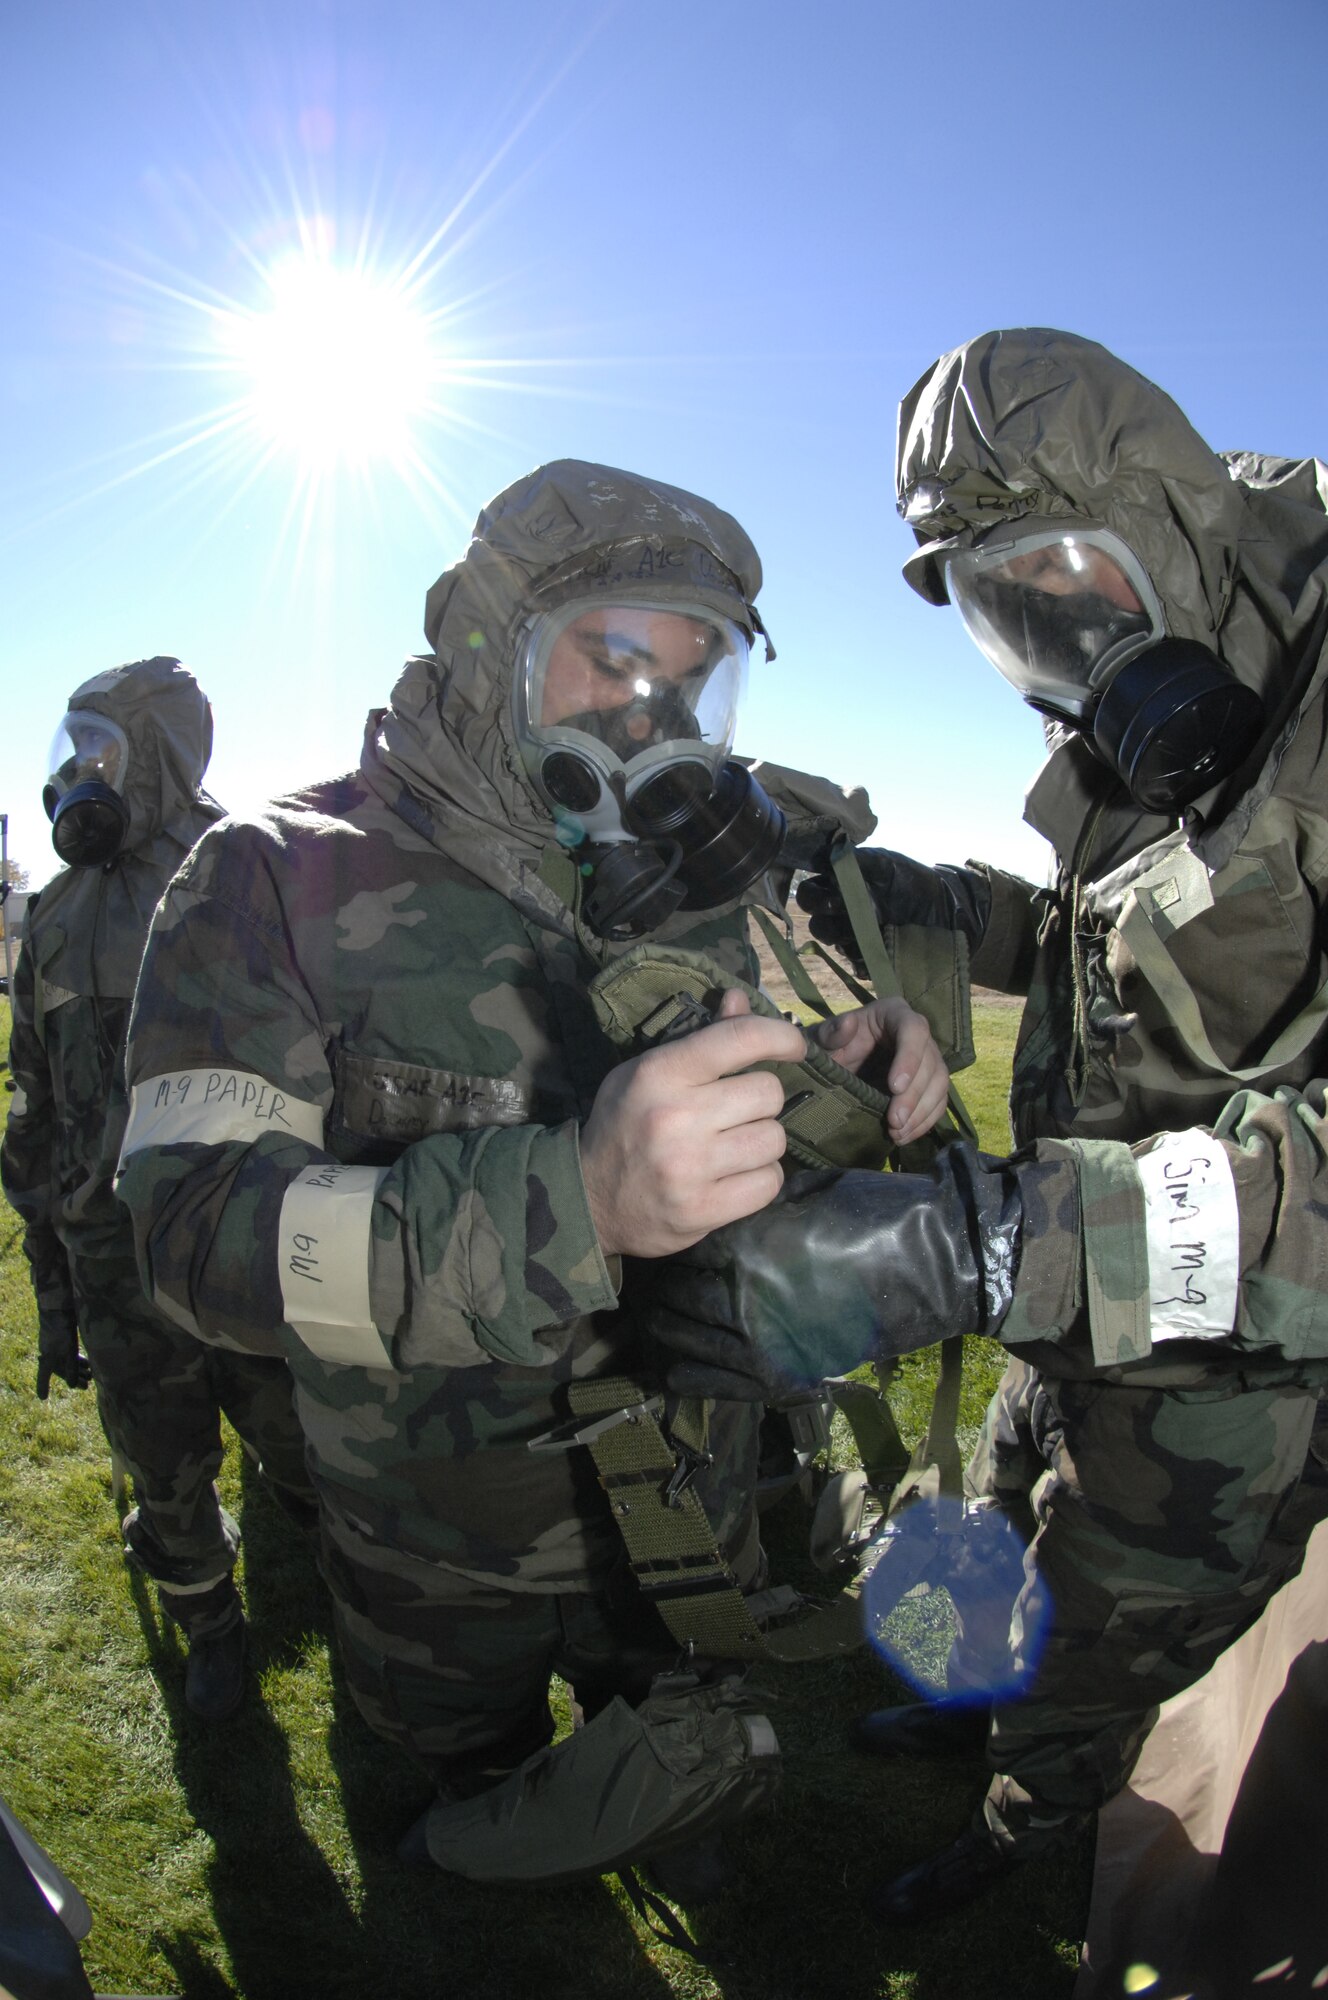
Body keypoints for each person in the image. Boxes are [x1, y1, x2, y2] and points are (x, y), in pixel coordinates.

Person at [113, 464, 944, 1884]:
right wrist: (580, 1203)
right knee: (460, 1813)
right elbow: (192, 1234)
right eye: (616, 659)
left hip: (683, 1522)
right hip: (438, 1548)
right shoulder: (270, 876)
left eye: (692, 683)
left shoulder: (708, 889)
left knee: (679, 1798)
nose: (655, 721)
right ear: (492, 647)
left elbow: (755, 1177)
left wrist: (844, 1077)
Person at [644, 330, 1328, 1919]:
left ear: (1170, 533)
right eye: (998, 611)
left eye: (1065, 587)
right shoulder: (1167, 730)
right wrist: (899, 900)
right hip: (1069, 1300)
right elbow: (1095, 948)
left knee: (1104, 1624)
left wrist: (1002, 1237)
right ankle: (966, 1716)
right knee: (1011, 1515)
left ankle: (1028, 1833)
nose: (1052, 646)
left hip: (1231, 1362)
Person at [1, 657, 316, 1723]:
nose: (75, 779)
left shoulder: (243, 877)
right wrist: (56, 1294)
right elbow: (34, 1111)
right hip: (111, 1257)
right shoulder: (50, 916)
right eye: (72, 755)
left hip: (242, 1242)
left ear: (159, 759)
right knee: (161, 1462)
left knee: (306, 1439)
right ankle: (211, 1624)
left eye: (101, 754)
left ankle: (344, 1580)